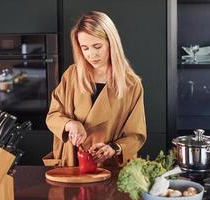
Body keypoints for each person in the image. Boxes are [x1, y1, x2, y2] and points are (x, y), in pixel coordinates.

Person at [44, 11, 147, 167]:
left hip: (109, 168)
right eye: (85, 48)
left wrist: (114, 148)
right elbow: (52, 116)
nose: (91, 55)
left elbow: (136, 135)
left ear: (111, 43)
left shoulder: (131, 84)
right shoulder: (72, 75)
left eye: (97, 46)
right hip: (72, 164)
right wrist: (70, 124)